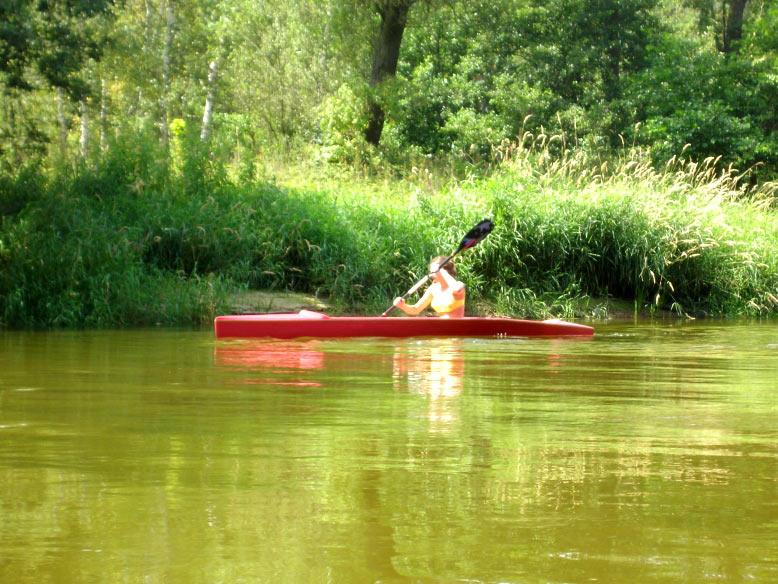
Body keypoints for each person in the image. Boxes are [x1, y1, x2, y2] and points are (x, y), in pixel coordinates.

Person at [393, 256, 466, 318]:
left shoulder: (458, 285)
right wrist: (402, 306)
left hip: (456, 331)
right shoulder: (433, 288)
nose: (431, 274)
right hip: (442, 330)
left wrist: (441, 272)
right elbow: (415, 310)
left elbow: (457, 288)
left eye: (433, 271)